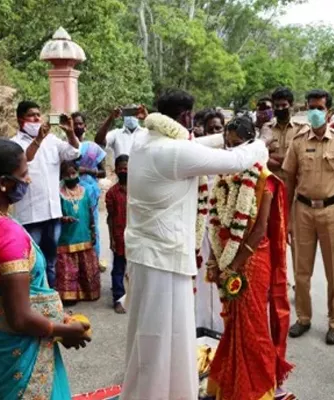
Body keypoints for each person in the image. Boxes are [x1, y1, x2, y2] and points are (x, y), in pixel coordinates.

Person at [120, 90, 268, 400]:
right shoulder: (173, 154)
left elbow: (195, 144)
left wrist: (221, 137)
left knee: (160, 337)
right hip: (164, 259)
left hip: (149, 255)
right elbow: (234, 161)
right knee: (160, 339)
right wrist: (260, 143)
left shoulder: (144, 142)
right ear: (186, 118)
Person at [0, 137, 91, 399]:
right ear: (4, 183)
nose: (28, 181)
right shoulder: (7, 234)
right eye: (24, 174)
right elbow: (19, 318)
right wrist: (64, 331)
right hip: (22, 354)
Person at [206, 116, 293, 400]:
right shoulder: (224, 178)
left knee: (252, 326)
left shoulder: (264, 179)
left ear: (249, 143)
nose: (231, 150)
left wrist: (233, 264)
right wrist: (214, 260)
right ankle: (231, 385)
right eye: (227, 145)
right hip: (227, 259)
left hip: (253, 261)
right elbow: (215, 223)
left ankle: (259, 388)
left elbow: (256, 232)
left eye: (236, 144)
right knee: (233, 324)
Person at [283, 89, 334, 345]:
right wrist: (287, 220)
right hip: (302, 210)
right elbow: (289, 181)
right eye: (311, 107)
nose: (315, 112)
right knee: (301, 272)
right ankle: (303, 318)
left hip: (333, 211)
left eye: (320, 108)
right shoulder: (298, 141)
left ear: (330, 112)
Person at [11, 101, 81, 288]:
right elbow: (24, 160)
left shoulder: (53, 141)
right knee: (31, 263)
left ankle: (51, 303)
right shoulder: (14, 144)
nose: (37, 119)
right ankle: (32, 302)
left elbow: (74, 152)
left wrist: (70, 132)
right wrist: (38, 140)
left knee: (51, 262)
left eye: (38, 115)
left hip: (52, 214)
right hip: (30, 216)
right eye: (31, 115)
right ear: (20, 120)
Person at [55, 161, 100, 303]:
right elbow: (55, 215)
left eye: (73, 173)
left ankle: (87, 293)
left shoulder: (85, 191)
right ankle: (69, 296)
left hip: (84, 236)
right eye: (67, 174)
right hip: (66, 238)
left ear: (77, 173)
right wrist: (63, 218)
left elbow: (90, 212)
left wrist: (93, 231)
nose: (71, 176)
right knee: (68, 268)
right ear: (62, 176)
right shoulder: (59, 194)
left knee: (86, 268)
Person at [71, 112, 106, 260]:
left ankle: (93, 260)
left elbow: (103, 172)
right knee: (73, 225)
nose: (78, 126)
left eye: (80, 123)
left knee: (91, 225)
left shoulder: (93, 148)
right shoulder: (63, 146)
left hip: (90, 192)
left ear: (85, 126)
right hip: (69, 192)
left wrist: (87, 171)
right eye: (75, 124)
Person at [105, 155, 130, 314]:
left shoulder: (139, 190)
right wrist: (112, 239)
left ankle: (137, 298)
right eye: (120, 168)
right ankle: (118, 299)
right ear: (116, 169)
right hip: (120, 236)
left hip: (137, 236)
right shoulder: (111, 193)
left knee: (136, 269)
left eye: (126, 168)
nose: (123, 170)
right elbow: (110, 218)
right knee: (118, 269)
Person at [268, 87, 307, 181]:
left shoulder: (302, 129)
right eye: (277, 106)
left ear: (291, 105)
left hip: (295, 185)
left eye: (284, 105)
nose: (280, 108)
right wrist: (289, 158)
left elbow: (302, 158)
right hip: (271, 185)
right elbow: (260, 157)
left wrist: (272, 157)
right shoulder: (267, 129)